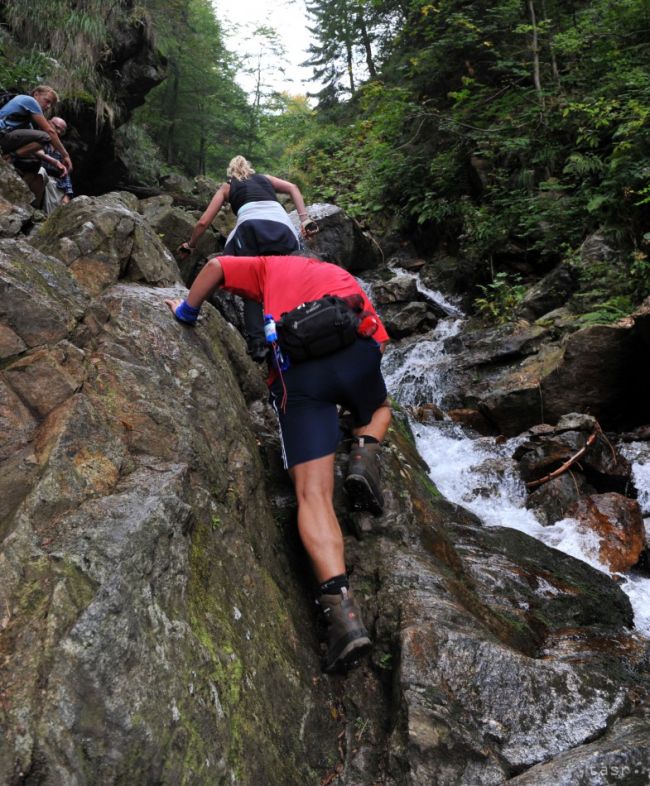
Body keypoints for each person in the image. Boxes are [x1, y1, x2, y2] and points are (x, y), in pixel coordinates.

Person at [164, 254, 392, 672]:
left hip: (301, 377)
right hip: (358, 357)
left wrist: (186, 312)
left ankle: (344, 616)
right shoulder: (339, 273)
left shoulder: (264, 266)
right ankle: (363, 454)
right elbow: (377, 337)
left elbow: (215, 265)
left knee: (313, 494)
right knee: (380, 409)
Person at [177, 156, 318, 360]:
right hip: (283, 229)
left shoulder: (227, 187)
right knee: (285, 282)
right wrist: (304, 220)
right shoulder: (266, 179)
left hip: (250, 231)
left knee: (251, 285)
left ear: (230, 172)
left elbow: (203, 222)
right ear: (250, 169)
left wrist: (191, 245)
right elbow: (293, 188)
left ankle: (258, 344)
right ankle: (292, 335)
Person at [0, 86, 72, 175]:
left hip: (5, 138)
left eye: (51, 104)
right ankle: (9, 157)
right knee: (47, 136)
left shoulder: (26, 122)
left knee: (34, 161)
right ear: (36, 94)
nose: (48, 106)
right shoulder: (29, 100)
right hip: (2, 135)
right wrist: (65, 155)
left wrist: (54, 162)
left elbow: (34, 148)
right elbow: (49, 132)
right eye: (47, 101)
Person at [37, 117, 74, 206]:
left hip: (55, 183)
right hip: (38, 175)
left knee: (61, 205)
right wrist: (55, 162)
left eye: (62, 131)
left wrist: (68, 194)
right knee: (41, 172)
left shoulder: (60, 150)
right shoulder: (38, 138)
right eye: (56, 127)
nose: (58, 132)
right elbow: (37, 153)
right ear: (48, 123)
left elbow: (66, 173)